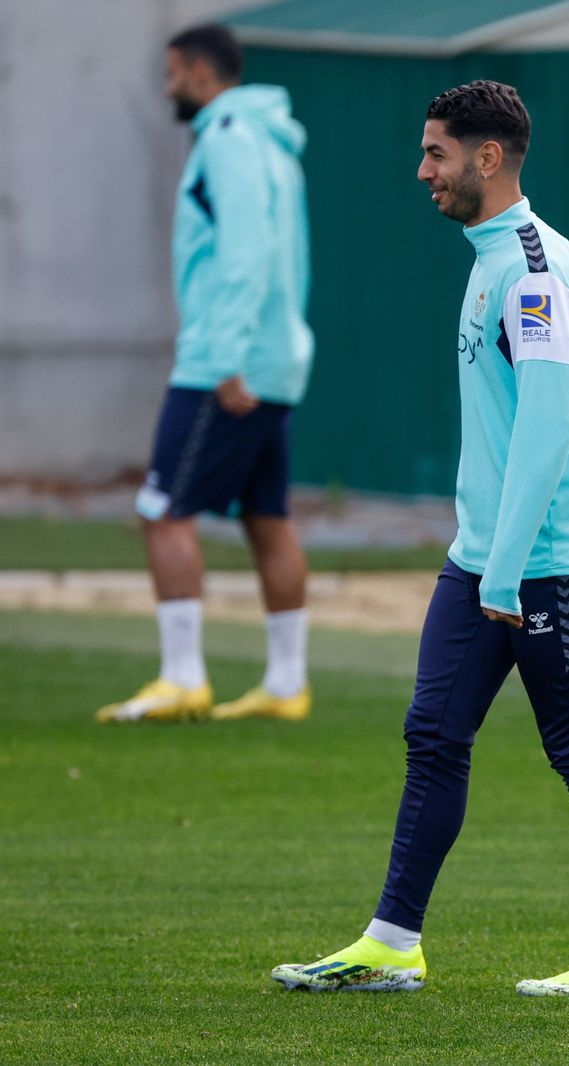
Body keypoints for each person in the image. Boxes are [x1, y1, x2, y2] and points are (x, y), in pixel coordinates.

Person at [270, 81, 569, 997]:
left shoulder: (534, 266)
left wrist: (509, 571)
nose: (421, 170)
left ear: (487, 157)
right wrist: (486, 558)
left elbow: (550, 427)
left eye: (436, 152)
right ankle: (392, 943)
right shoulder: (487, 256)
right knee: (432, 734)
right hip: (484, 557)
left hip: (540, 565)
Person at [96, 23, 314, 724]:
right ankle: (286, 687)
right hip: (274, 358)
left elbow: (246, 255)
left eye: (170, 74)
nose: (166, 89)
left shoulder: (226, 139)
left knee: (162, 510)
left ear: (196, 70)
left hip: (228, 363)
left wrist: (222, 358)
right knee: (267, 518)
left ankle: (182, 677)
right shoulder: (273, 143)